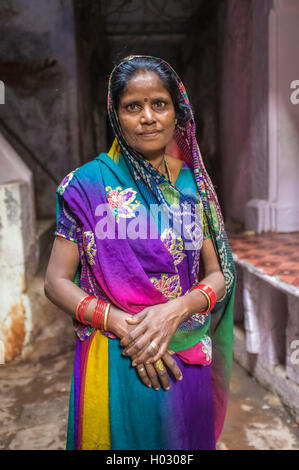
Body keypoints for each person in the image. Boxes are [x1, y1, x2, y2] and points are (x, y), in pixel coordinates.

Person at [44, 55, 236, 451]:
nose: (147, 117)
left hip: (184, 352)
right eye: (133, 106)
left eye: (159, 104)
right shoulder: (85, 185)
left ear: (176, 113)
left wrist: (176, 310)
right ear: (116, 115)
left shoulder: (191, 183)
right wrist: (123, 326)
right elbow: (55, 281)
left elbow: (218, 273)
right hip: (117, 353)